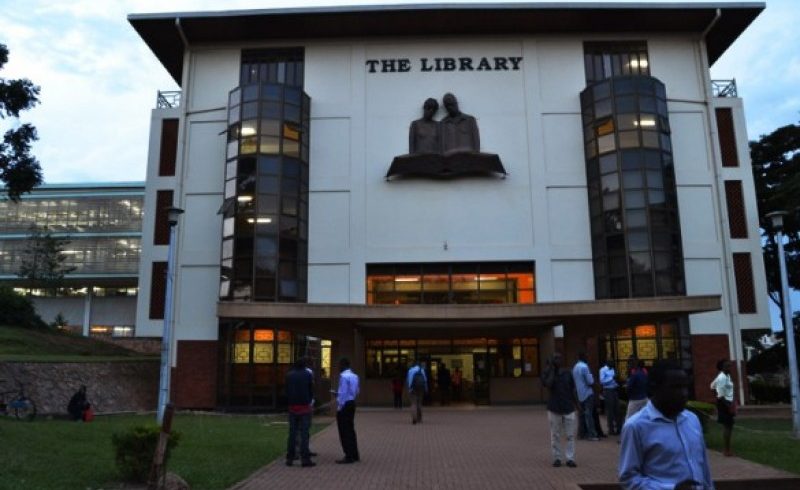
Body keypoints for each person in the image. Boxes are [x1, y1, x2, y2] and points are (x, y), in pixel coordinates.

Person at [619, 360, 713, 490]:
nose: (684, 393)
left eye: (685, 387)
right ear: (655, 388)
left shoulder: (692, 420)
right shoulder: (636, 426)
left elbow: (704, 470)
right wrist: (670, 488)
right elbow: (628, 478)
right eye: (676, 387)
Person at [543, 352, 579, 468]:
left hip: (568, 407)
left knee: (570, 435)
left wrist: (577, 405)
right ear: (552, 361)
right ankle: (557, 458)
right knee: (555, 435)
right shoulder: (547, 373)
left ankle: (570, 458)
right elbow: (548, 384)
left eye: (559, 358)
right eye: (555, 359)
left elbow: (573, 390)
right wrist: (552, 371)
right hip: (554, 408)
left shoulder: (568, 373)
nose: (558, 360)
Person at [285, 358, 315, 467]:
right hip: (304, 407)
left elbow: (287, 391)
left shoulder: (289, 375)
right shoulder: (308, 375)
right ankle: (305, 459)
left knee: (292, 433)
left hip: (293, 407)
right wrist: (309, 400)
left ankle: (290, 458)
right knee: (304, 433)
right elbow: (311, 390)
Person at [334, 358, 360, 464]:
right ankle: (355, 454)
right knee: (351, 429)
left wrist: (339, 406)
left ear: (343, 365)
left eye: (339, 365)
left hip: (345, 405)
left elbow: (343, 393)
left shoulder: (343, 377)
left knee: (344, 431)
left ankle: (348, 455)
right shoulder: (355, 376)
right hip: (352, 403)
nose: (338, 367)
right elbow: (357, 391)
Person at [711, 358, 736, 457]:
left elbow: (712, 386)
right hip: (725, 404)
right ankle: (726, 450)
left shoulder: (726, 376)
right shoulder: (722, 378)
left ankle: (727, 449)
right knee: (727, 426)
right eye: (727, 366)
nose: (729, 368)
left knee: (729, 426)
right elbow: (720, 395)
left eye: (730, 366)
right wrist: (728, 405)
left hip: (727, 402)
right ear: (722, 367)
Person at [572, 352, 599, 440]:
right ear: (583, 357)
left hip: (580, 394)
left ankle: (582, 433)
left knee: (582, 414)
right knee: (588, 414)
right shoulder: (584, 367)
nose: (587, 358)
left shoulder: (575, 367)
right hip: (587, 393)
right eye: (586, 357)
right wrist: (597, 386)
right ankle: (591, 434)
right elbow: (590, 381)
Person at [600, 359, 620, 435]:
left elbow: (613, 380)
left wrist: (616, 383)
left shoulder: (612, 369)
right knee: (610, 410)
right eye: (612, 363)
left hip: (614, 390)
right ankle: (611, 430)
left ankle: (618, 428)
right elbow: (602, 381)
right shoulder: (603, 370)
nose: (613, 364)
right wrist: (612, 378)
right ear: (608, 363)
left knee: (617, 410)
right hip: (608, 391)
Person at [407, 359, 428, 424]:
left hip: (413, 388)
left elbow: (409, 380)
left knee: (414, 403)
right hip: (421, 388)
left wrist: (409, 388)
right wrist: (426, 388)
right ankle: (419, 418)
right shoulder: (422, 370)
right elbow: (425, 380)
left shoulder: (410, 370)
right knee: (419, 403)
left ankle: (414, 417)